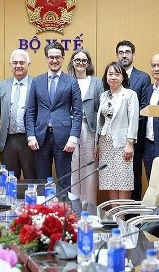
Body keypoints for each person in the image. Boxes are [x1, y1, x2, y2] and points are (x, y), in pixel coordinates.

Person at [24, 42, 82, 190]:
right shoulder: (37, 81)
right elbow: (30, 111)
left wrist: (73, 138)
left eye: (57, 57)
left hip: (64, 139)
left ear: (62, 58)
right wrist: (31, 136)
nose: (54, 60)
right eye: (51, 57)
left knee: (64, 182)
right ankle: (44, 206)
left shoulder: (71, 82)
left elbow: (78, 112)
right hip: (41, 138)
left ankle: (63, 205)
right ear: (46, 59)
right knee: (42, 182)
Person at [95, 61, 140, 201]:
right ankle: (114, 214)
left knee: (124, 181)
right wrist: (96, 144)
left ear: (123, 77)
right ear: (106, 77)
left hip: (122, 144)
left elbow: (133, 120)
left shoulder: (129, 94)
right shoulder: (103, 95)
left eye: (117, 74)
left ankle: (122, 215)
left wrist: (130, 144)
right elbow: (100, 121)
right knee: (111, 181)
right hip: (105, 143)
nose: (113, 77)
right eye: (110, 74)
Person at [66, 49, 103, 205]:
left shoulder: (96, 82)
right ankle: (74, 210)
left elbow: (101, 109)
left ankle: (90, 209)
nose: (80, 63)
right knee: (73, 170)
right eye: (77, 60)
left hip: (90, 129)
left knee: (90, 171)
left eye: (84, 60)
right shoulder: (66, 81)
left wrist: (98, 138)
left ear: (88, 64)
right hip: (70, 131)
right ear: (72, 62)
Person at [115, 40, 151, 200]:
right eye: (121, 52)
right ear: (117, 55)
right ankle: (118, 210)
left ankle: (133, 212)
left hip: (135, 136)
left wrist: (128, 128)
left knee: (134, 176)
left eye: (127, 52)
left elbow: (144, 107)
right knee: (116, 176)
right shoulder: (112, 76)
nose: (124, 55)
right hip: (114, 137)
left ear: (133, 55)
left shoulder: (143, 78)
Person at [0, 49, 36, 180]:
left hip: (29, 139)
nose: (18, 65)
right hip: (8, 140)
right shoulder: (2, 85)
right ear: (10, 65)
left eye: (22, 62)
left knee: (31, 178)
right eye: (15, 62)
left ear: (28, 64)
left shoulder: (36, 84)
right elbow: (0, 110)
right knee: (10, 180)